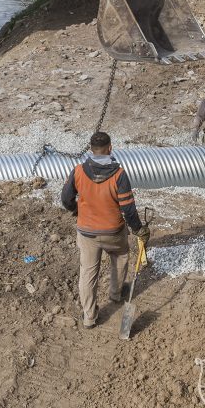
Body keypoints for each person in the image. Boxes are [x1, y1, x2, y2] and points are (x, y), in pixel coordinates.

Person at [61, 132, 149, 329]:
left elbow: (66, 199)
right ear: (110, 148)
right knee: (120, 255)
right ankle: (116, 294)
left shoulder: (78, 171)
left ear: (91, 150)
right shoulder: (119, 175)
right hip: (113, 231)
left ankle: (89, 317)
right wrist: (138, 229)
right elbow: (128, 208)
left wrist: (76, 210)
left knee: (88, 273)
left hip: (87, 233)